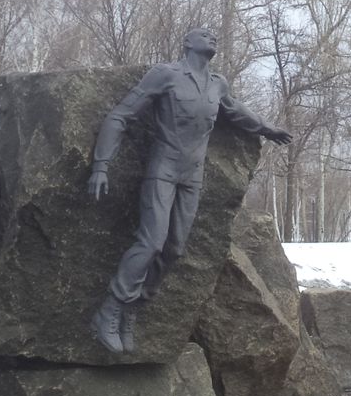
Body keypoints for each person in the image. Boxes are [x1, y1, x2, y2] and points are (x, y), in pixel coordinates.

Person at [86, 27, 293, 354]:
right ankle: (109, 309)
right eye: (203, 34)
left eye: (215, 34)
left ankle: (132, 309)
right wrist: (101, 165)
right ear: (187, 42)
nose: (212, 36)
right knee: (151, 241)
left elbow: (236, 111)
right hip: (163, 169)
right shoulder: (165, 75)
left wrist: (268, 128)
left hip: (192, 176)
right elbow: (120, 116)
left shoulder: (217, 84)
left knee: (174, 249)